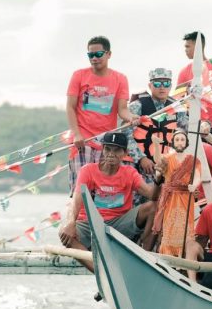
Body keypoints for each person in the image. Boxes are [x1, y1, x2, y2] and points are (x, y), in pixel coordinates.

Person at [58, 132, 159, 272]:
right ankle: (102, 272)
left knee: (154, 207)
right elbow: (76, 199)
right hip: (91, 224)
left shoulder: (129, 172)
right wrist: (70, 222)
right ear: (103, 149)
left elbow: (152, 194)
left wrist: (161, 179)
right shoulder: (88, 170)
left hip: (119, 224)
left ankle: (145, 261)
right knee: (64, 232)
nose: (111, 154)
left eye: (117, 150)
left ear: (125, 153)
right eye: (108, 149)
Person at [66, 36, 137, 196]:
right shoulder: (79, 75)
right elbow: (70, 107)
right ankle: (76, 218)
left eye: (98, 54)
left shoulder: (120, 79)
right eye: (90, 55)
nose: (94, 58)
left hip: (106, 145)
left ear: (108, 54)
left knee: (101, 190)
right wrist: (76, 134)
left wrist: (132, 117)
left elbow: (122, 110)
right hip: (82, 142)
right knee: (80, 190)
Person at [126, 68, 188, 204]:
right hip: (139, 164)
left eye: (166, 84)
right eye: (157, 84)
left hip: (164, 164)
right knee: (136, 203)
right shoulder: (137, 106)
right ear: (150, 85)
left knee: (162, 202)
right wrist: (141, 159)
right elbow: (126, 134)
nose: (162, 88)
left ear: (171, 86)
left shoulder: (178, 108)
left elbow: (184, 133)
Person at [151, 129, 202, 257]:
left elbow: (197, 175)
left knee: (186, 225)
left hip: (186, 196)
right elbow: (158, 160)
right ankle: (169, 255)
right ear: (173, 142)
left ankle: (185, 254)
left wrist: (194, 185)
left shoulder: (193, 159)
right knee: (169, 224)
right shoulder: (168, 158)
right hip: (171, 197)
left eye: (182, 140)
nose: (180, 142)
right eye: (177, 140)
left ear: (186, 142)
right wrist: (156, 145)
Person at [177, 32, 212, 139]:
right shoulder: (184, 71)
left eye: (188, 46)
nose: (185, 50)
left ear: (198, 46)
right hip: (192, 124)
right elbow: (178, 100)